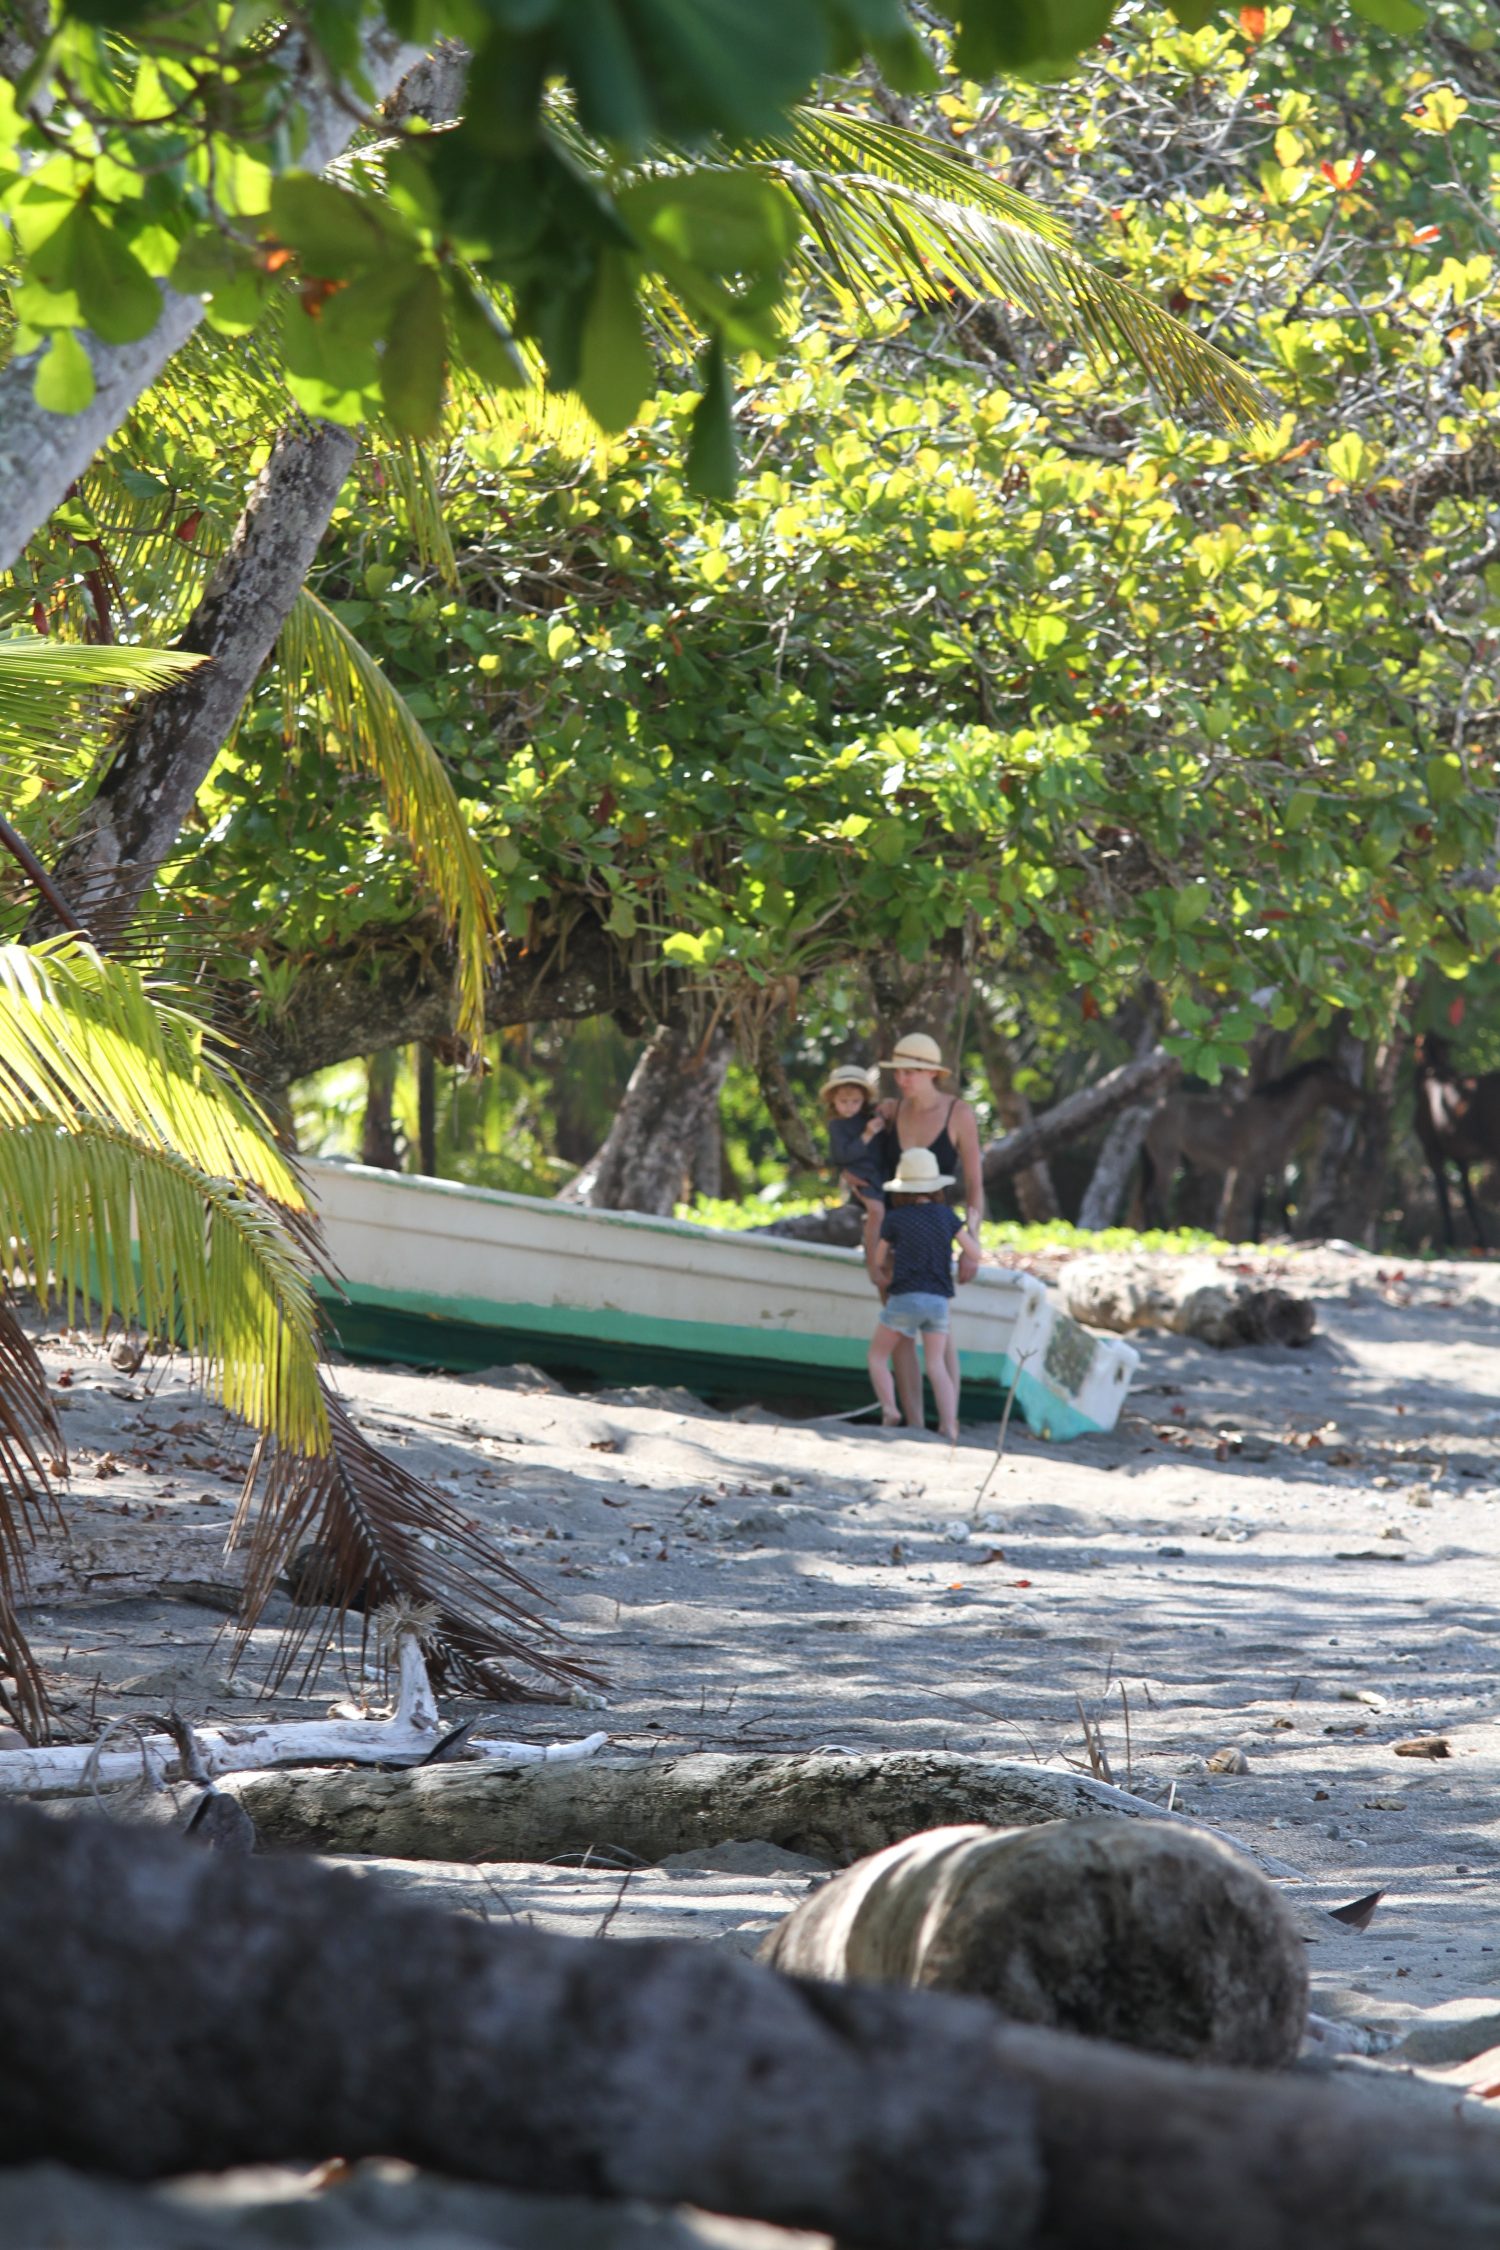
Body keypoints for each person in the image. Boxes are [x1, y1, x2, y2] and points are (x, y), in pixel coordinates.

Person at [876, 1031, 985, 1427]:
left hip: (939, 1231)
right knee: (896, 1330)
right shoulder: (893, 1110)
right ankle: (912, 1422)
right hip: (895, 1229)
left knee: (940, 1336)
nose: (902, 1079)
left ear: (931, 1073)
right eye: (899, 1072)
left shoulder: (959, 1113)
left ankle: (948, 1423)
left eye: (910, 1072)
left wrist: (973, 1244)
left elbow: (974, 1183)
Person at [868, 1146, 981, 1442]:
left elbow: (879, 1260)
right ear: (935, 1187)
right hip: (939, 1301)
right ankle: (949, 1424)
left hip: (905, 1296)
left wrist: (885, 1268)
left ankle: (891, 1409)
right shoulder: (946, 1217)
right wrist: (973, 1227)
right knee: (936, 1365)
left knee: (878, 1357)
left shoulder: (896, 1219)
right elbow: (975, 1253)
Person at [820, 1063, 885, 1276]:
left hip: (880, 1172)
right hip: (862, 1174)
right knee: (876, 1210)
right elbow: (841, 1156)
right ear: (833, 1101)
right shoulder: (837, 1126)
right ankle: (872, 1256)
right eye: (843, 1102)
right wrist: (866, 1135)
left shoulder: (870, 1118)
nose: (849, 1107)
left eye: (855, 1101)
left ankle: (883, 1248)